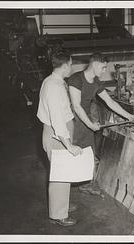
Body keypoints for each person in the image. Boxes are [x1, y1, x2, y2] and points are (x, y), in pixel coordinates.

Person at [68, 52, 134, 196]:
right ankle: (67, 185)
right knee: (72, 152)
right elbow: (76, 106)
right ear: (95, 64)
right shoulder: (76, 79)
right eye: (103, 67)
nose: (105, 70)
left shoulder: (96, 83)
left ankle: (86, 184)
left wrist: (129, 116)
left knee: (88, 151)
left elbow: (110, 102)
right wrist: (90, 124)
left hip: (84, 118)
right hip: (71, 119)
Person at [37, 50, 82, 226]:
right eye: (70, 64)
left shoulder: (54, 81)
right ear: (64, 66)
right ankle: (59, 215)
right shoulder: (53, 87)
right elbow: (57, 119)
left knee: (64, 173)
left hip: (60, 132)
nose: (71, 67)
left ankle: (62, 204)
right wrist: (69, 145)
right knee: (60, 175)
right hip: (57, 135)